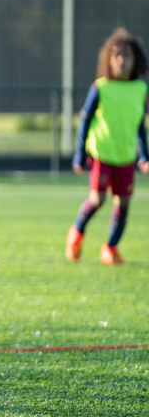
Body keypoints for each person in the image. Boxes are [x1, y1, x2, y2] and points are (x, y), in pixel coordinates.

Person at [66, 28, 149, 265]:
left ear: (136, 61)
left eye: (127, 56)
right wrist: (79, 154)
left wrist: (145, 155)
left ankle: (110, 248)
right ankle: (77, 233)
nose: (122, 61)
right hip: (101, 153)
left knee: (123, 203)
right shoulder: (100, 88)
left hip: (125, 156)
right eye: (117, 56)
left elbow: (139, 126)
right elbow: (85, 119)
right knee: (98, 198)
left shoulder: (140, 90)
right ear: (108, 59)